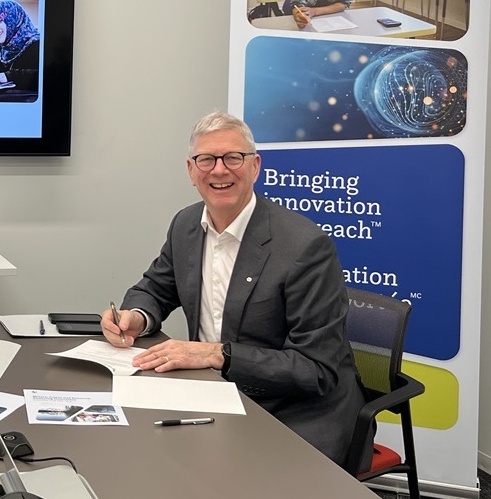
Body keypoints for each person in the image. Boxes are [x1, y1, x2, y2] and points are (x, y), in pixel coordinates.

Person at [101, 112, 363, 466]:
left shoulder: (304, 247)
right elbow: (156, 287)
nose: (219, 170)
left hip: (296, 411)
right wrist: (136, 316)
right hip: (214, 393)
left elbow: (316, 369)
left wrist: (217, 354)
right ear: (191, 171)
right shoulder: (186, 224)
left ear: (255, 166)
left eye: (233, 158)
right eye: (206, 159)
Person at [0, 0, 41, 91]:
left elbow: (45, 75)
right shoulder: (3, 51)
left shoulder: (37, 45)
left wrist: (9, 76)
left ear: (13, 19)